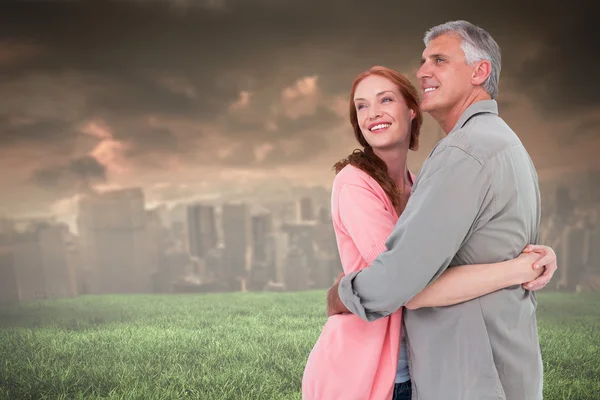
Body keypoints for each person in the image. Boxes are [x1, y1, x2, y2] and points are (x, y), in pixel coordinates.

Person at [325, 21, 558, 400]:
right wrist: (529, 264)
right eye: (422, 61)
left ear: (479, 72)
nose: (422, 71)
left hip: (472, 374)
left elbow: (404, 283)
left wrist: (341, 294)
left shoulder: (461, 153)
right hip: (499, 366)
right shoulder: (507, 145)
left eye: (439, 59)